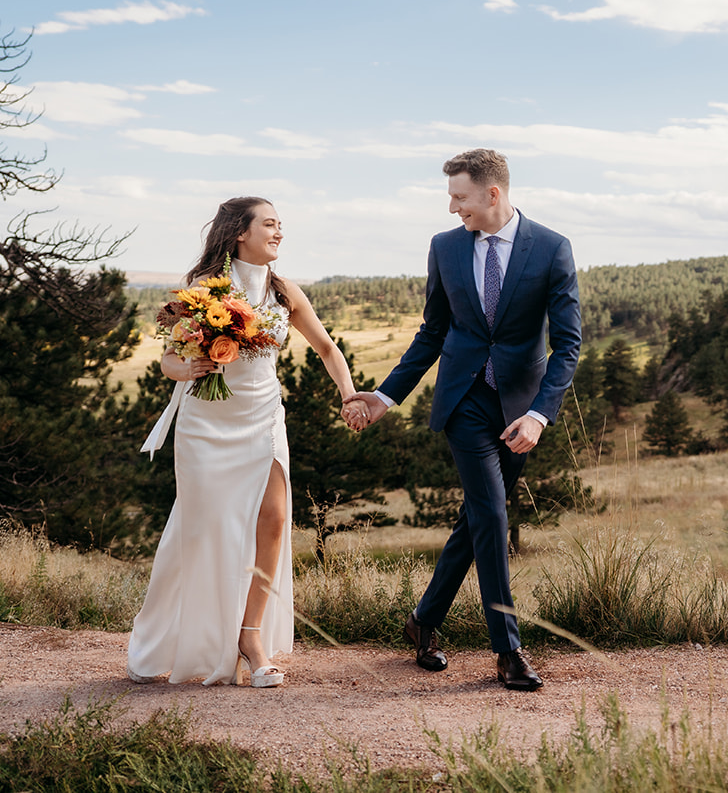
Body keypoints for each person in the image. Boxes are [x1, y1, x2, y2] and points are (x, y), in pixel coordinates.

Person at [347, 148, 581, 691]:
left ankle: (423, 620)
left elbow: (567, 346)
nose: (453, 209)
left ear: (492, 193)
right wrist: (385, 397)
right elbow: (432, 332)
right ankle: (508, 649)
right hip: (464, 404)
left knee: (476, 518)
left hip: (519, 410)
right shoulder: (445, 247)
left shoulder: (551, 248)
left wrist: (540, 416)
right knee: (492, 514)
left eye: (460, 197)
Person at [128, 197, 368, 687]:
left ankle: (251, 636)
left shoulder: (285, 292)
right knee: (202, 531)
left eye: (281, 225)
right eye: (270, 225)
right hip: (207, 425)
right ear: (240, 232)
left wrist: (349, 396)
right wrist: (190, 366)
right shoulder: (203, 291)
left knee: (276, 520)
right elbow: (168, 361)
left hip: (263, 418)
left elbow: (325, 347)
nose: (279, 233)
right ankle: (182, 635)